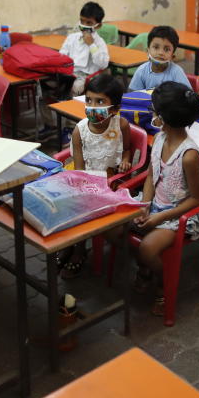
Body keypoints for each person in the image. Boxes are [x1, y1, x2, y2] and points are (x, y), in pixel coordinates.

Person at [118, 82, 199, 316]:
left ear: (163, 117)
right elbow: (152, 174)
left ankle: (164, 283)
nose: (151, 113)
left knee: (148, 248)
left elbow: (197, 200)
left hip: (180, 214)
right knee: (115, 228)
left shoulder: (189, 156)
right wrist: (145, 205)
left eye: (154, 110)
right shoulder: (160, 138)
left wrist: (158, 216)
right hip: (155, 205)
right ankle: (145, 268)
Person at [59, 73, 132, 278]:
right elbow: (80, 170)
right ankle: (69, 244)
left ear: (115, 108)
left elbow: (126, 149)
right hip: (86, 177)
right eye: (89, 100)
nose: (92, 106)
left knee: (80, 205)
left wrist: (126, 159)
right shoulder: (79, 130)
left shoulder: (121, 125)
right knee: (72, 200)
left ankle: (79, 250)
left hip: (112, 181)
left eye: (100, 101)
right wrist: (84, 189)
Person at [59, 1, 110, 96]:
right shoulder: (72, 38)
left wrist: (92, 45)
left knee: (76, 87)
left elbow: (103, 64)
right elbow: (62, 56)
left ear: (98, 25)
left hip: (86, 77)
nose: (83, 25)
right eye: (82, 21)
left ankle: (69, 107)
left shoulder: (99, 42)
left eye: (89, 22)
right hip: (70, 72)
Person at [128, 25, 191, 91]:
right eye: (156, 47)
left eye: (166, 49)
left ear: (172, 57)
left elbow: (187, 96)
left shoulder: (177, 72)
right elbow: (133, 95)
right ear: (147, 51)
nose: (161, 53)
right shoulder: (141, 71)